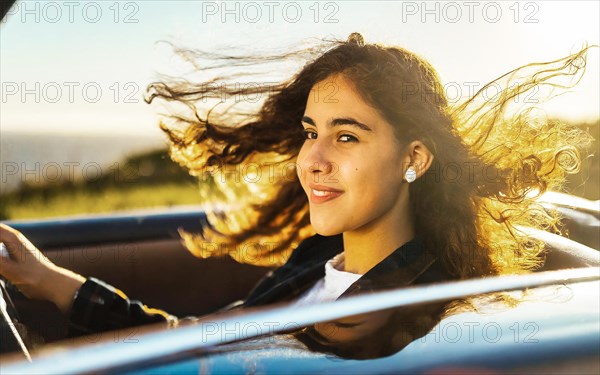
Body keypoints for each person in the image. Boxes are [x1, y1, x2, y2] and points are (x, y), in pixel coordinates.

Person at [0, 33, 594, 359]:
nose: (313, 158)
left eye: (347, 135)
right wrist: (55, 284)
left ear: (413, 159)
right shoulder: (318, 260)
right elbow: (203, 340)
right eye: (311, 133)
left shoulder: (414, 315)